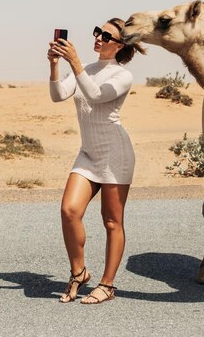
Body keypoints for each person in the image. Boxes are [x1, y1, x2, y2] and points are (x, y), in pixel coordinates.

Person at [48, 18, 145, 304]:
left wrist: (75, 63)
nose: (99, 38)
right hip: (88, 153)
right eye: (97, 32)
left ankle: (108, 285)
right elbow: (57, 95)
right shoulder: (87, 69)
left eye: (106, 36)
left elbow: (96, 94)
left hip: (115, 154)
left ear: (119, 46)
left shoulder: (121, 75)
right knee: (69, 210)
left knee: (112, 221)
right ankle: (79, 273)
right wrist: (55, 63)